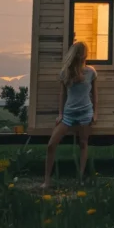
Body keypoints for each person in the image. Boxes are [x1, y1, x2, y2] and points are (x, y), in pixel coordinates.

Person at [42, 41, 97, 189]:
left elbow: (94, 94)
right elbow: (62, 94)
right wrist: (60, 114)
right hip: (68, 114)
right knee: (51, 144)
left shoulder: (91, 72)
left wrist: (95, 113)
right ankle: (47, 180)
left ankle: (80, 177)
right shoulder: (65, 72)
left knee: (83, 144)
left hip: (85, 113)